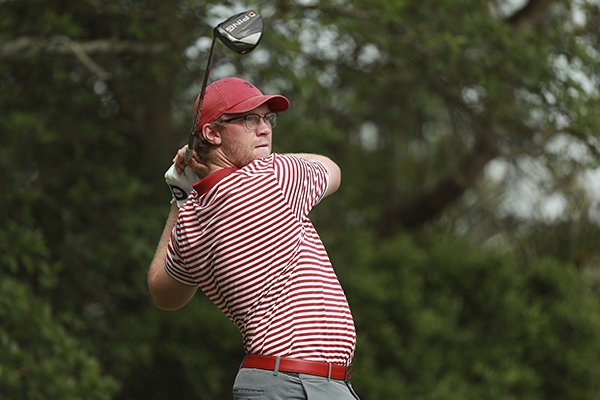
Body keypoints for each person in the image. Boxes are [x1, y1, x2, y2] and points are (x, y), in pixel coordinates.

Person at [147, 77, 360, 399]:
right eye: (249, 119)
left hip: (282, 381)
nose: (265, 129)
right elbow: (332, 169)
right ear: (212, 133)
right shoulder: (274, 176)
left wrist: (179, 196)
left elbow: (164, 294)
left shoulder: (190, 222)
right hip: (297, 383)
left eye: (267, 118)